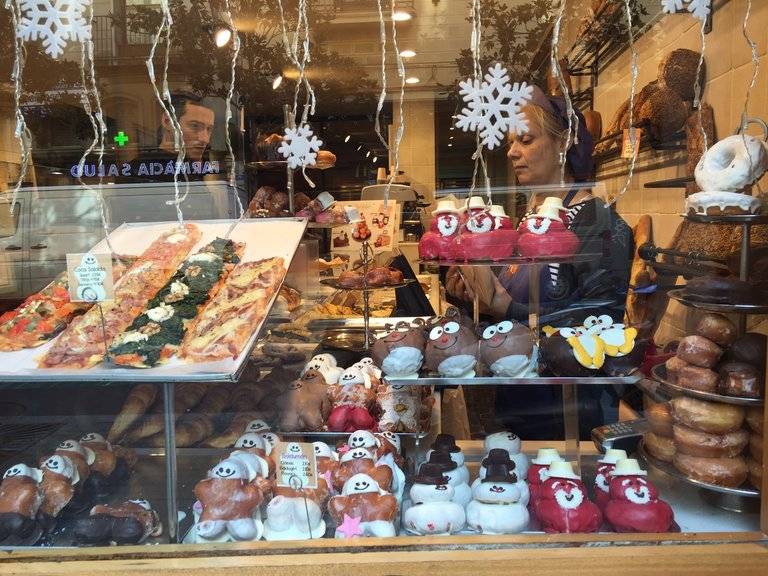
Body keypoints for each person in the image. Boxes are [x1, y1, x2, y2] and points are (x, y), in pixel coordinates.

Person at [445, 85, 634, 439]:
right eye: (510, 143)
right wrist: (471, 295)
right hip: (518, 397)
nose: (512, 152)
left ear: (564, 143)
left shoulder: (598, 224)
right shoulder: (529, 221)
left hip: (567, 408)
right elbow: (514, 298)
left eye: (526, 140)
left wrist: (506, 308)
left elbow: (601, 324)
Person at [122, 92, 218, 183]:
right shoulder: (137, 171)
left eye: (209, 129)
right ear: (167, 121)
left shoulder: (200, 167)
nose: (205, 139)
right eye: (194, 126)